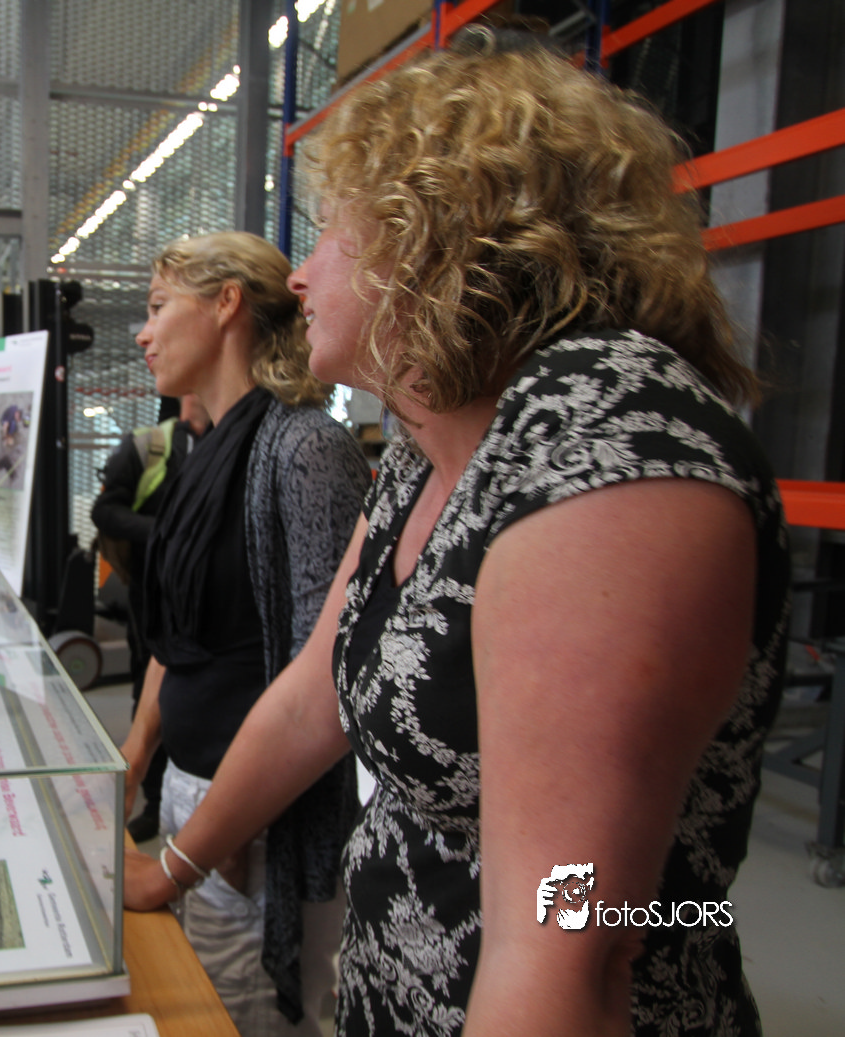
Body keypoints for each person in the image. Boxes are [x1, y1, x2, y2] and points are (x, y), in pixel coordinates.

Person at [127, 30, 789, 1037]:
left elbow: (572, 935)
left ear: (435, 237)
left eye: (332, 233)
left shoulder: (608, 438)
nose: (299, 277)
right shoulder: (426, 452)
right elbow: (311, 695)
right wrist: (172, 865)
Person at [119, 232, 371, 1037]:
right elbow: (180, 637)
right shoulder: (209, 449)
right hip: (199, 799)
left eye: (158, 306)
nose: (143, 332)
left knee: (246, 1016)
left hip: (254, 825)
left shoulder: (305, 449)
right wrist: (134, 757)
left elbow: (318, 678)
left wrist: (206, 844)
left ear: (226, 302)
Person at [92, 392, 209, 842]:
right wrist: (163, 533)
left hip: (209, 596)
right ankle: (155, 802)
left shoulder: (232, 439)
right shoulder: (149, 446)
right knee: (149, 690)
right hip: (152, 595)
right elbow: (104, 511)